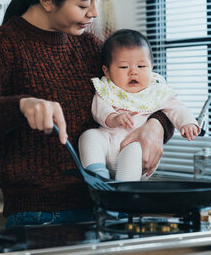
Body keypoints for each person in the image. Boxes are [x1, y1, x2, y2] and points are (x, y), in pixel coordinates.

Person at [0, 0, 174, 227]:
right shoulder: (4, 43)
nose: (93, 12)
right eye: (83, 4)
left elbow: (150, 92)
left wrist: (157, 126)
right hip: (40, 218)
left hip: (101, 213)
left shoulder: (90, 46)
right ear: (47, 1)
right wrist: (21, 106)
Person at [79, 29, 201, 181]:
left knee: (135, 150)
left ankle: (124, 189)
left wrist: (188, 123)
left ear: (151, 67)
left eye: (141, 66)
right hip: (108, 141)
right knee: (89, 136)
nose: (133, 72)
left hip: (136, 148)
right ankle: (97, 175)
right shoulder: (107, 88)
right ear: (107, 71)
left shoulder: (156, 91)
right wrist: (114, 118)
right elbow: (98, 108)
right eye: (124, 67)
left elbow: (177, 109)